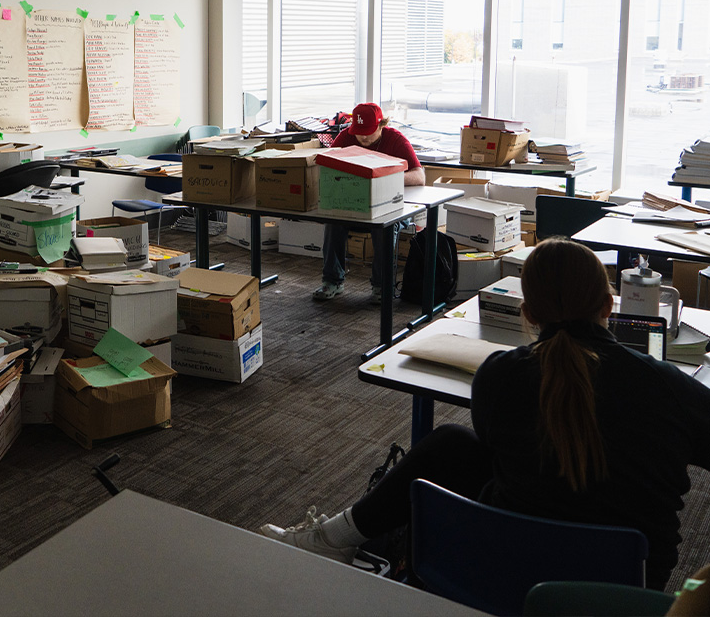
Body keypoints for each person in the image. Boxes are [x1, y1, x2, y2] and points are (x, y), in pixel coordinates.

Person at [262, 238, 710, 591]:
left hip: (504, 567)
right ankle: (332, 541)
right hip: (623, 591)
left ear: (528, 313)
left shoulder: (500, 375)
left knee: (450, 445)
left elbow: (498, 447)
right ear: (609, 307)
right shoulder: (671, 388)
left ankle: (333, 540)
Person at [312, 102, 425, 304]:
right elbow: (327, 164)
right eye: (359, 131)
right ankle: (332, 281)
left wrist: (383, 178)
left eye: (369, 131)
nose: (363, 137)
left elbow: (419, 176)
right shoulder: (346, 137)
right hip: (353, 204)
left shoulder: (396, 140)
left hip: (388, 205)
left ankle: (382, 286)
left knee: (384, 228)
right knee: (333, 222)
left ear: (382, 124)